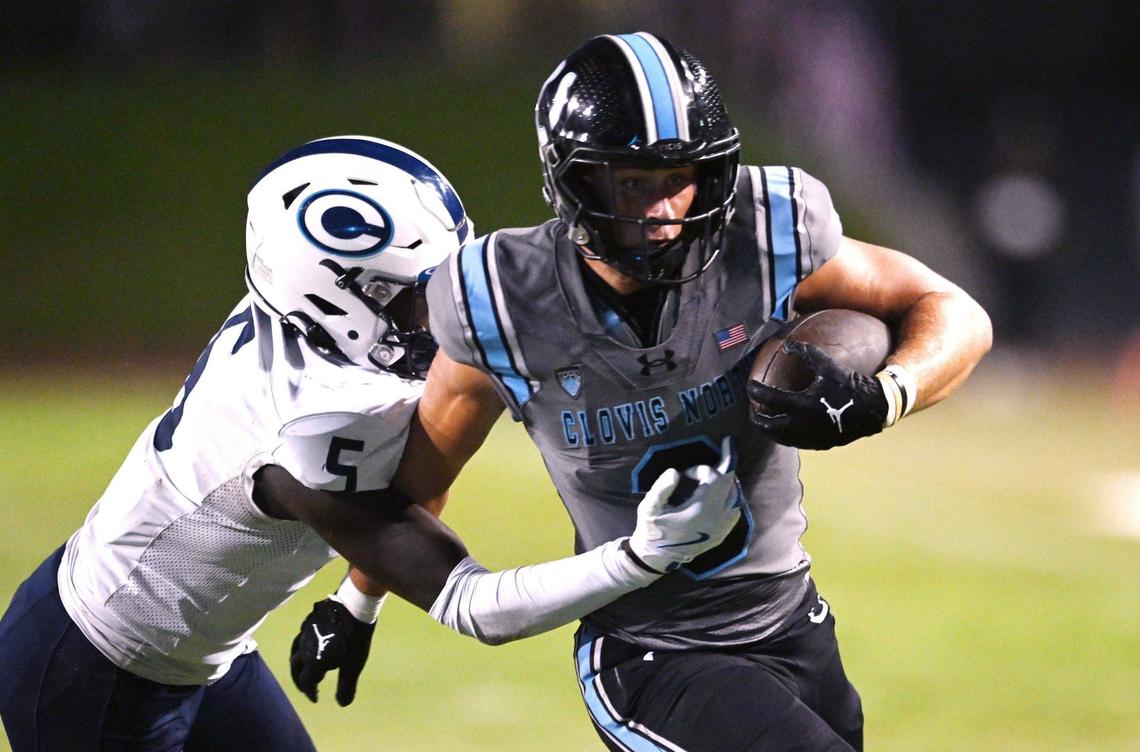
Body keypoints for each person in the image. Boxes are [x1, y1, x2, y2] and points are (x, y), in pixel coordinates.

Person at [310, 32, 993, 751]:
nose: (666, 209)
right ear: (574, 181)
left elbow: (954, 312)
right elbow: (422, 475)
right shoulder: (501, 302)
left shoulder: (770, 231)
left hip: (792, 620)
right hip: (652, 655)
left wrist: (888, 393)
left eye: (682, 177)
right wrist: (357, 600)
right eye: (634, 182)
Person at [0, 135, 744, 751]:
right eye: (416, 296)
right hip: (90, 675)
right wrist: (641, 556)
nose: (443, 310)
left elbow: (423, 453)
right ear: (338, 297)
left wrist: (357, 600)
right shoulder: (311, 429)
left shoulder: (307, 317)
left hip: (202, 655)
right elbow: (474, 606)